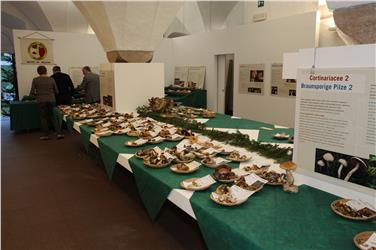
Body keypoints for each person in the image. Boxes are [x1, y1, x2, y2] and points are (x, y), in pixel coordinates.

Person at [29, 65, 64, 140]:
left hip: (41, 100)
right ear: (46, 71)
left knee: (43, 118)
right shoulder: (51, 79)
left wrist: (36, 94)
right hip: (51, 100)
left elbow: (32, 92)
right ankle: (59, 133)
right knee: (53, 117)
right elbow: (57, 91)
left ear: (38, 72)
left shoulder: (35, 80)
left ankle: (46, 135)